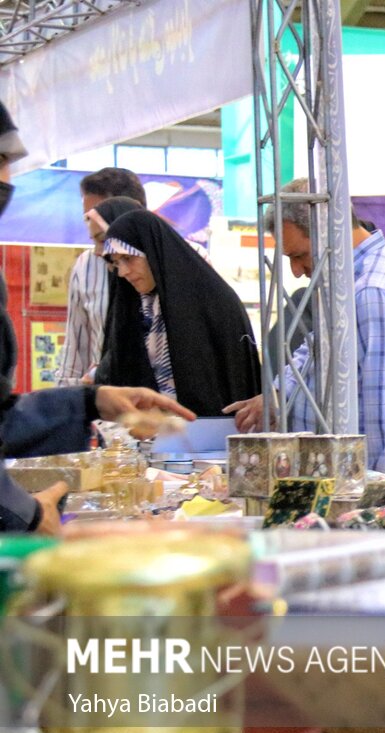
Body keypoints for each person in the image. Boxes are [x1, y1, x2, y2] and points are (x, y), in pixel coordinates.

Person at [0, 104, 196, 534]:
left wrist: (94, 400)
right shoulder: (89, 270)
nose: (112, 263)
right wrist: (25, 512)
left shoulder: (184, 289)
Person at [225, 178, 385, 485]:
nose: (297, 271)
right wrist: (279, 393)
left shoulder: (372, 292)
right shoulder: (350, 281)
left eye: (299, 255)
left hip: (366, 498)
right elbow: (315, 349)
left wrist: (374, 511)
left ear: (330, 231)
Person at [97, 209, 262, 417]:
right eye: (116, 263)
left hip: (209, 434)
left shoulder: (210, 300)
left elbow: (228, 380)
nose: (122, 272)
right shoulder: (134, 305)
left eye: (129, 258)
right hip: (147, 436)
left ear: (152, 251)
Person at [56, 168, 148, 386]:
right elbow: (75, 351)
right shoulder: (86, 265)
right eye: (87, 217)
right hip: (109, 407)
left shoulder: (186, 260)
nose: (100, 252)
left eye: (100, 216)